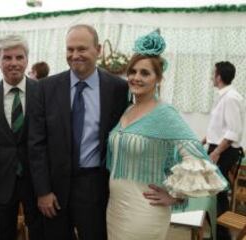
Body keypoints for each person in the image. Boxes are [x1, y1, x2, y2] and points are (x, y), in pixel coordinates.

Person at [106, 30, 227, 240]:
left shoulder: (164, 113)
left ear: (158, 79)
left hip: (144, 211)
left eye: (145, 73)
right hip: (116, 208)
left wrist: (175, 195)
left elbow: (198, 158)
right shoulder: (127, 110)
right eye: (132, 71)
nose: (136, 77)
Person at [28, 24, 129, 240]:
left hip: (95, 186)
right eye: (70, 49)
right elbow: (36, 144)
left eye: (82, 49)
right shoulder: (45, 88)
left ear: (98, 49)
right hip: (54, 190)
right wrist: (43, 191)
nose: (75, 55)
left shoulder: (118, 89)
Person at [0, 34, 44, 240]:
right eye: (7, 58)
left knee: (41, 234)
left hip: (37, 183)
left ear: (26, 60)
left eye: (19, 57)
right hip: (0, 182)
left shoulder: (43, 91)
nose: (13, 63)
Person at [203, 61, 245, 240]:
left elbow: (233, 132)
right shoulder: (224, 95)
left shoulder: (231, 97)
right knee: (215, 194)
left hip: (224, 150)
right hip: (218, 147)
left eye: (214, 73)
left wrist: (216, 152)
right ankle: (217, 234)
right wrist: (204, 139)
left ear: (219, 76)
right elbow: (220, 126)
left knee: (216, 194)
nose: (212, 76)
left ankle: (221, 236)